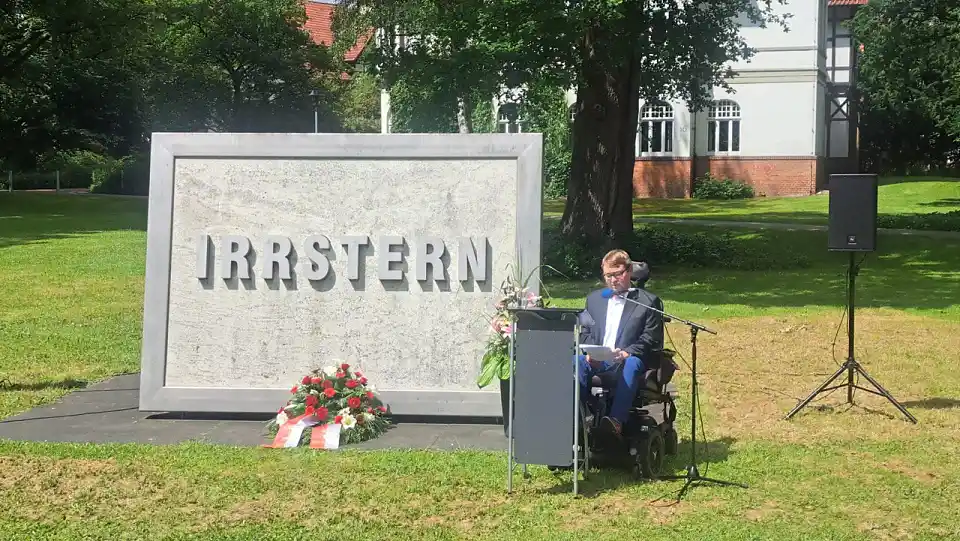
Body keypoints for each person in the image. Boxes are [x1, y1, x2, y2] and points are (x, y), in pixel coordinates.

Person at [576, 249, 664, 439]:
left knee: (632, 363)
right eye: (608, 276)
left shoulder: (648, 302)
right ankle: (580, 416)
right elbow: (585, 333)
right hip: (599, 358)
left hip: (628, 359)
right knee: (575, 361)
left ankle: (615, 421)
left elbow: (651, 338)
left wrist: (626, 353)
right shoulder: (594, 300)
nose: (613, 280)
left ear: (629, 270)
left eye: (617, 274)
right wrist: (593, 354)